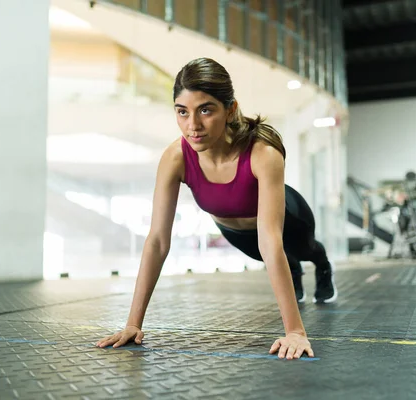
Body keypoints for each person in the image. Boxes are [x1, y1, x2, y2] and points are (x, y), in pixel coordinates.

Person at [96, 58, 337, 360]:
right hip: (236, 231)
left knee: (304, 249)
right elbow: (157, 240)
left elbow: (270, 238)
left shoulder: (263, 152)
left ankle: (322, 264)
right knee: (281, 260)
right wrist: (132, 324)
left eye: (206, 110)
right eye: (182, 112)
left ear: (231, 109)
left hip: (289, 217)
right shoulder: (175, 157)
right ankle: (295, 272)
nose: (192, 126)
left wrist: (295, 332)